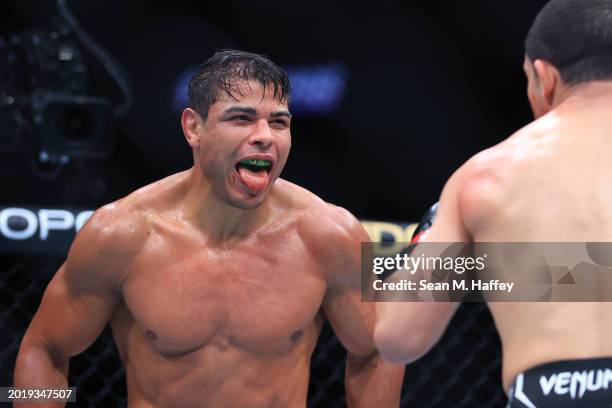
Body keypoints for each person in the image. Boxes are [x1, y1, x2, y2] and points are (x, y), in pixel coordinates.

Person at [14, 50, 404, 407]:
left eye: (279, 122)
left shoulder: (330, 234)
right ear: (193, 128)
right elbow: (43, 349)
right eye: (242, 118)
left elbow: (377, 349)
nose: (265, 136)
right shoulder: (122, 233)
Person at [374, 0, 612, 406]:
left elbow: (398, 336)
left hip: (556, 394)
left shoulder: (487, 176)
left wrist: (432, 229)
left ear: (543, 75)